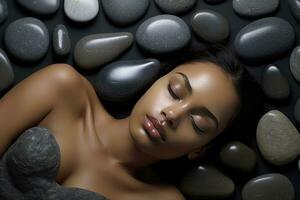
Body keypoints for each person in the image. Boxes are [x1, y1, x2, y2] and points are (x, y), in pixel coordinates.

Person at [0, 44, 263, 200]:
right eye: (174, 91)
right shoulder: (62, 89)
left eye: (198, 124)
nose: (171, 114)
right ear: (155, 81)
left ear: (199, 149)